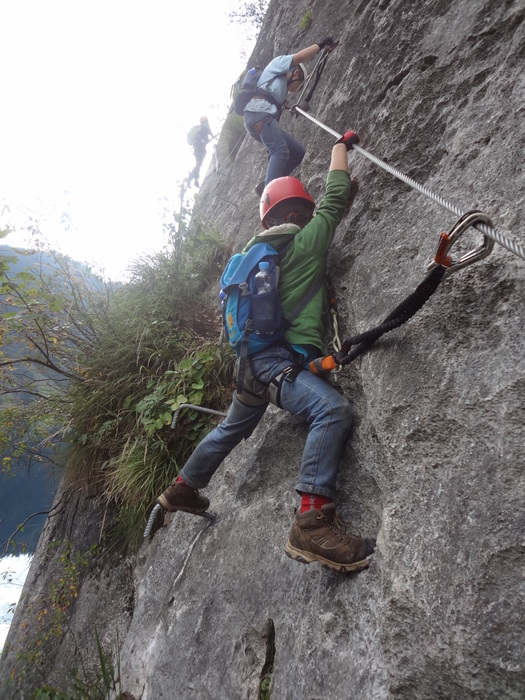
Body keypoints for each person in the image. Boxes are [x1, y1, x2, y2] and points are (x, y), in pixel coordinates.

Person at [158, 132, 375, 573]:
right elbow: (336, 197)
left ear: (269, 218)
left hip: (251, 366)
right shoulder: (306, 242)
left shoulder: (259, 255)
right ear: (303, 212)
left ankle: (183, 486)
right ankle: (310, 525)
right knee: (331, 411)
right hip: (276, 363)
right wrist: (340, 146)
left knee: (230, 430)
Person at [243, 37, 334, 196]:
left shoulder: (278, 89)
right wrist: (320, 45)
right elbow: (300, 57)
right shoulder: (278, 64)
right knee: (280, 150)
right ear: (296, 72)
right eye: (299, 84)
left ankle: (267, 184)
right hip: (259, 115)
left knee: (298, 152)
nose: (296, 90)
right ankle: (270, 196)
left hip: (261, 118)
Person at [188, 116, 214, 188]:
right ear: (204, 122)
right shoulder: (203, 128)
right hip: (200, 150)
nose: (206, 123)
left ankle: (195, 180)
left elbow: (205, 140)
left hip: (199, 150)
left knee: (199, 165)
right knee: (199, 165)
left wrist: (210, 138)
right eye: (206, 121)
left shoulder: (204, 128)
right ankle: (191, 178)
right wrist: (210, 138)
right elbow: (203, 138)